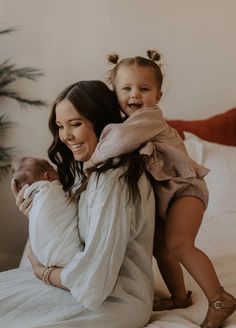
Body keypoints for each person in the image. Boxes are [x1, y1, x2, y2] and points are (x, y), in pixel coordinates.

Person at [86, 51, 236, 328]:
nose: (136, 95)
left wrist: (90, 162)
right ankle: (180, 297)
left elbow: (117, 143)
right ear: (114, 93)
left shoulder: (148, 118)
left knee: (179, 244)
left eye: (144, 89)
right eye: (126, 88)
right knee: (160, 248)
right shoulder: (127, 123)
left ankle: (220, 299)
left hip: (185, 189)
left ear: (158, 95)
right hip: (168, 194)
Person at [0, 80, 155, 328]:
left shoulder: (114, 180)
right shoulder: (87, 171)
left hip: (115, 301)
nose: (66, 136)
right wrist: (38, 214)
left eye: (76, 124)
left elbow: (94, 279)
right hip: (74, 287)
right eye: (61, 126)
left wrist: (42, 272)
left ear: (101, 121)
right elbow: (72, 234)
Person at [12, 156, 79, 268]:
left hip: (41, 257)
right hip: (68, 256)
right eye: (53, 169)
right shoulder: (51, 188)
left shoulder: (32, 197)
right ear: (47, 176)